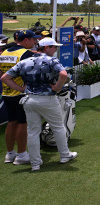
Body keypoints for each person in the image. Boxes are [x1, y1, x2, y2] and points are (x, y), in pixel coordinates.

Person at [1, 37, 78, 171]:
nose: (56, 50)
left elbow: (5, 78)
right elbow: (63, 74)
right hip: (48, 99)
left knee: (32, 132)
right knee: (58, 127)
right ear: (46, 47)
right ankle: (65, 155)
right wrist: (57, 88)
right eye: (54, 47)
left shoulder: (25, 61)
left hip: (29, 99)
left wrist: (21, 89)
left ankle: (35, 163)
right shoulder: (51, 60)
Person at [1, 30, 38, 165]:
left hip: (6, 92)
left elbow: (1, 73)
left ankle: (10, 154)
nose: (34, 42)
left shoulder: (5, 52)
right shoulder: (25, 54)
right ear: (26, 40)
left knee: (12, 122)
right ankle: (22, 154)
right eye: (33, 39)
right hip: (21, 93)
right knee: (22, 123)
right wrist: (23, 88)